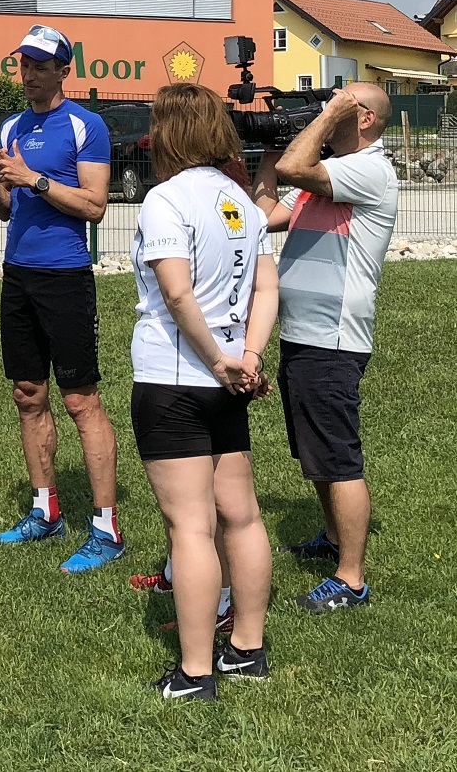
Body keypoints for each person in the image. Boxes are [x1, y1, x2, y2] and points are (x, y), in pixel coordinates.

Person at [129, 83, 278, 700]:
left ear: (171, 133)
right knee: (239, 516)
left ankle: (195, 673)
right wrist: (247, 357)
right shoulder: (241, 200)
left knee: (189, 527)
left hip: (176, 378)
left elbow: (177, 293)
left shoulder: (165, 199)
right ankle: (247, 647)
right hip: (229, 380)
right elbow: (266, 290)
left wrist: (219, 360)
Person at [0, 24, 123, 572]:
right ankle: (46, 510)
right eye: (23, 65)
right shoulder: (12, 125)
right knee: (27, 393)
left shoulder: (88, 125)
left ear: (63, 70)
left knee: (81, 400)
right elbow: (6, 209)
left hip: (66, 275)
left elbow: (95, 206)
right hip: (19, 274)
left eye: (39, 65)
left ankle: (106, 527)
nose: (29, 75)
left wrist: (32, 179)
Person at [251, 83, 398, 614]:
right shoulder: (328, 174)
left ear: (362, 118)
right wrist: (267, 156)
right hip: (303, 335)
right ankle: (333, 540)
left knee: (338, 459)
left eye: (337, 108)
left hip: (332, 338)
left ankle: (351, 579)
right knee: (315, 454)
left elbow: (296, 170)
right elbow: (264, 213)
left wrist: (326, 115)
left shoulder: (368, 169)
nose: (323, 113)